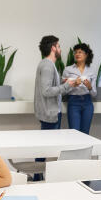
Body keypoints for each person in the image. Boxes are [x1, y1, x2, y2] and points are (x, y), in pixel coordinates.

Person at [33, 35, 77, 180]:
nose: (60, 49)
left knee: (43, 149)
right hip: (50, 114)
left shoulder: (47, 64)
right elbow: (46, 91)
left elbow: (49, 87)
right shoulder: (47, 65)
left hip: (48, 112)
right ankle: (37, 178)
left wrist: (64, 84)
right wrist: (66, 85)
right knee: (44, 149)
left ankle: (37, 177)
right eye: (58, 46)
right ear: (53, 48)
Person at [62, 43, 97, 134]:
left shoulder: (92, 70)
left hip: (88, 103)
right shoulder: (68, 70)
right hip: (74, 102)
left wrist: (90, 87)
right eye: (75, 52)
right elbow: (63, 91)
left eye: (80, 52)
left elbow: (94, 94)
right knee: (74, 133)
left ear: (86, 55)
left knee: (85, 133)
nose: (77, 54)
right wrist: (73, 85)